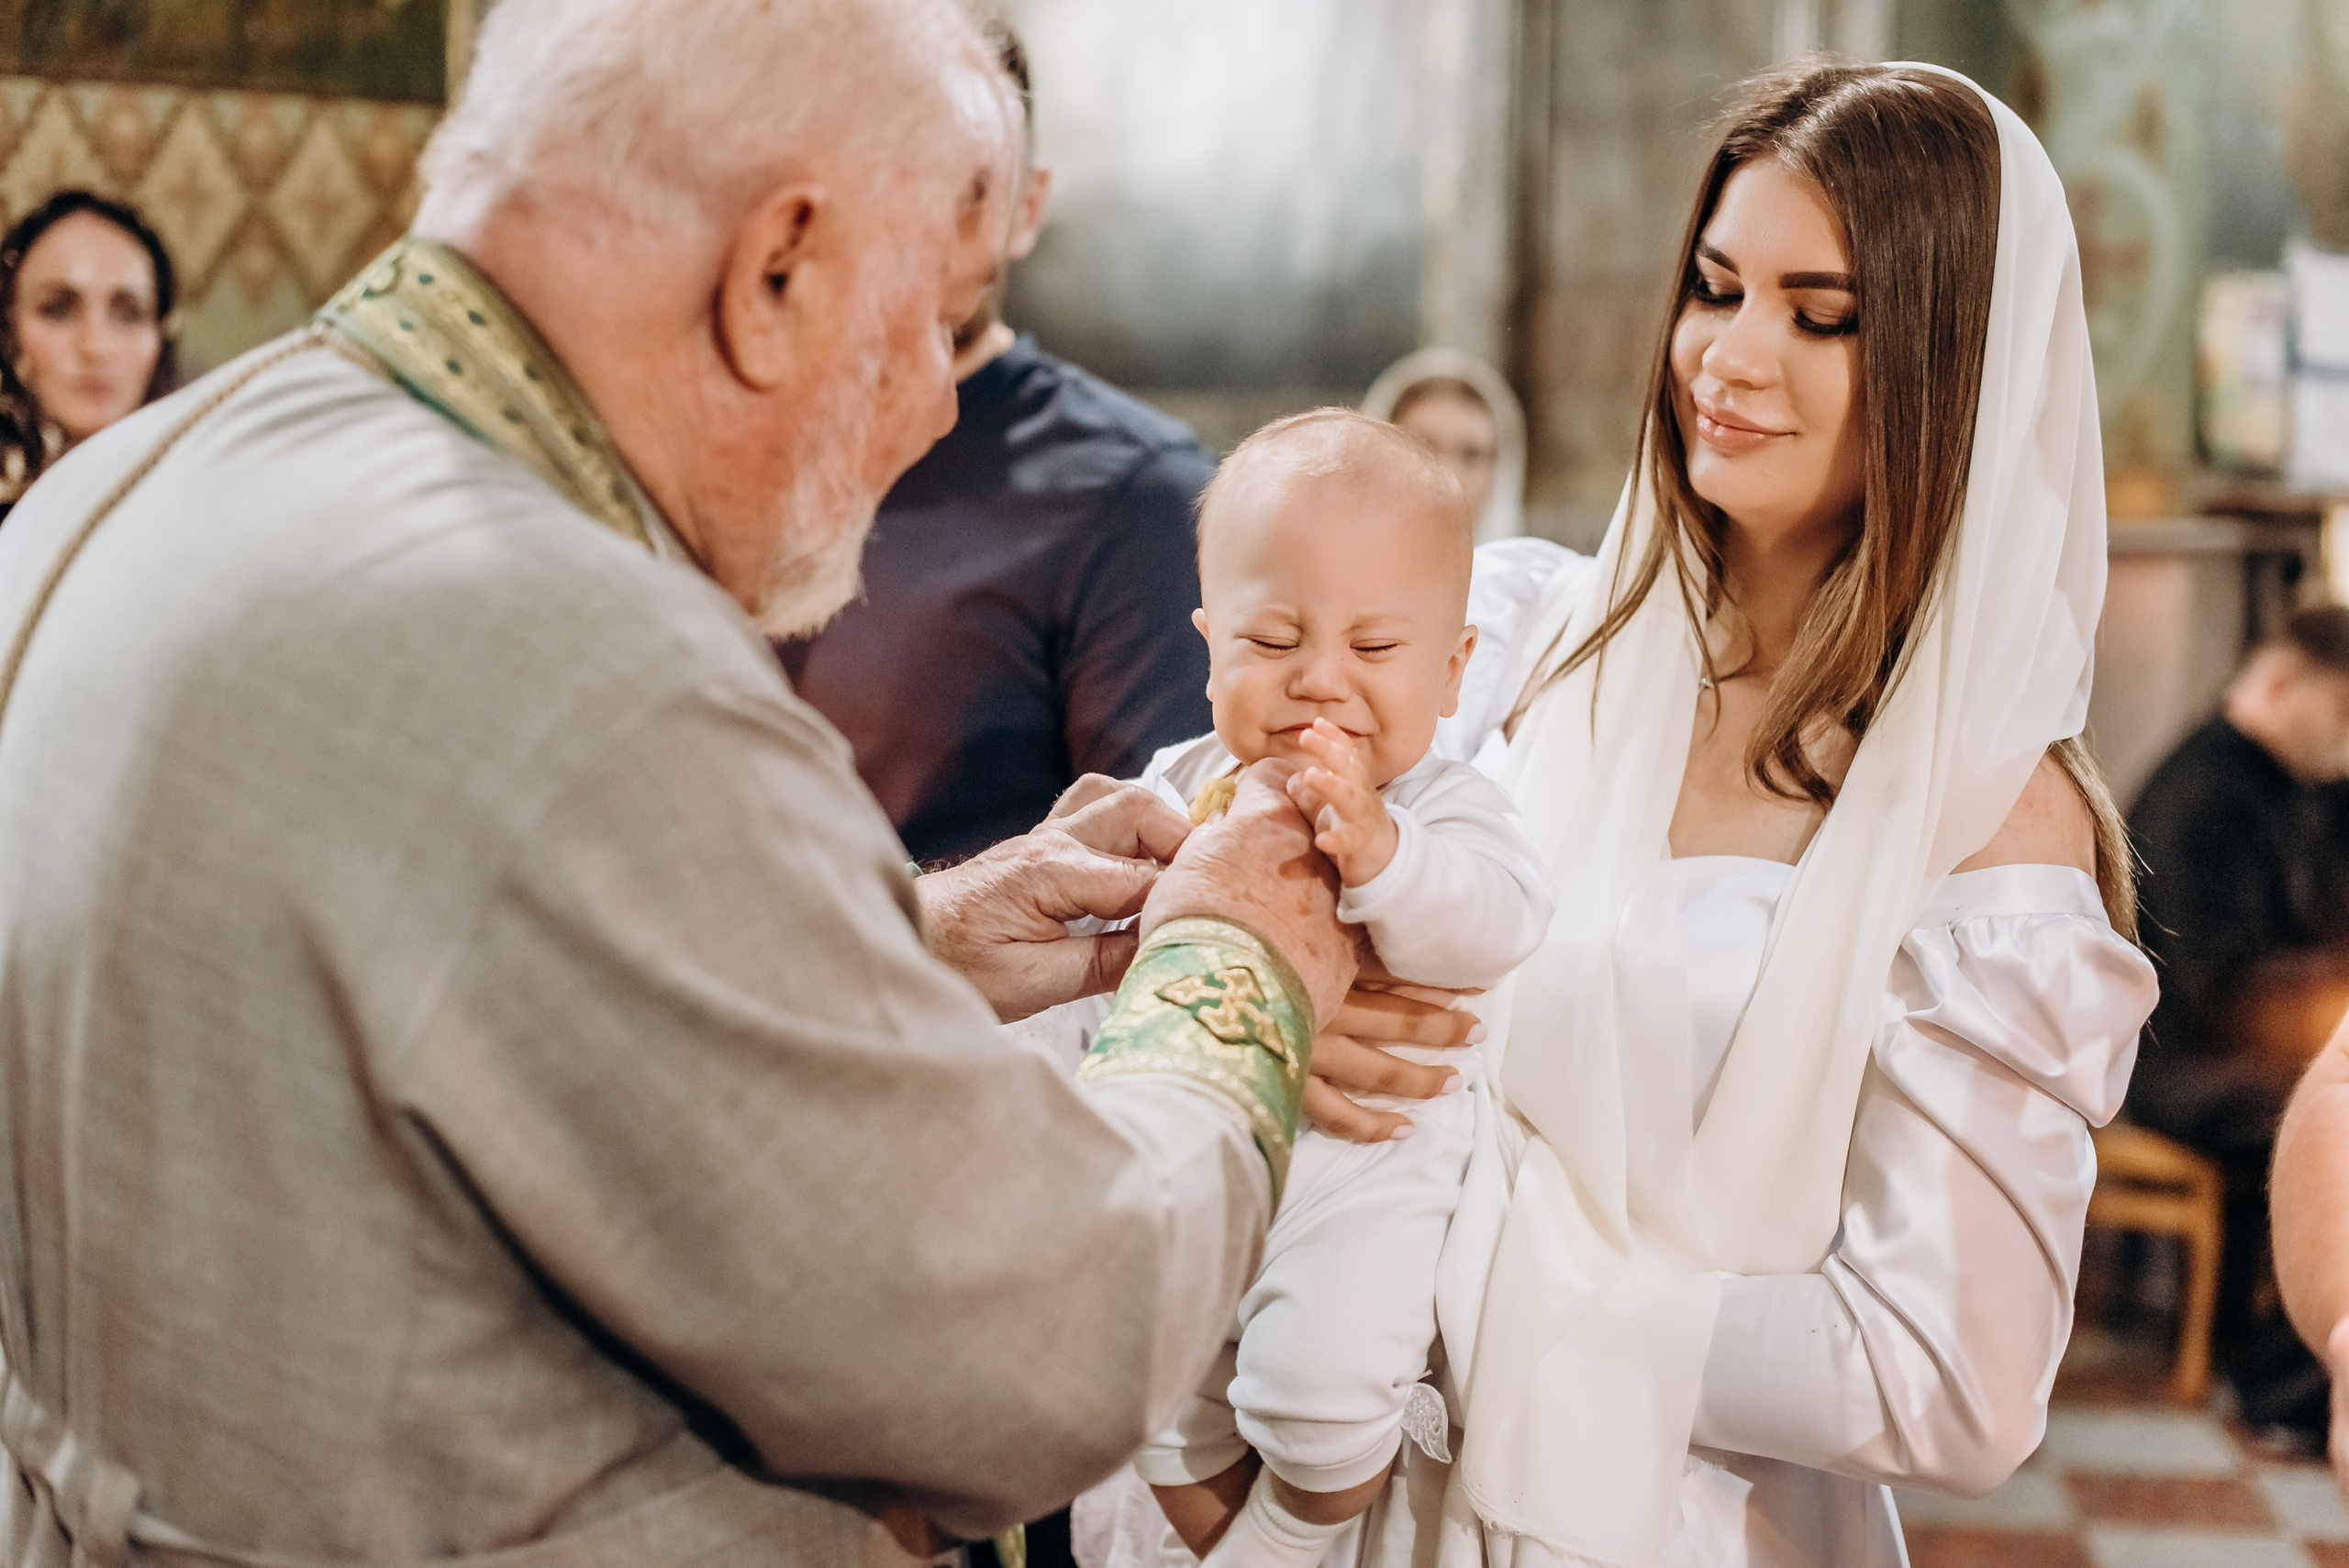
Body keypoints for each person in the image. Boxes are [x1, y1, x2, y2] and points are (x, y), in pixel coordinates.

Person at [0, 0, 1447, 1558]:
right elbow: (1046, 1340)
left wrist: (915, 937)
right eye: (923, 316)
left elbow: (425, 963)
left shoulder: (135, 472)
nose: (937, 400)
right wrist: (1233, 962)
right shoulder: (589, 662)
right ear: (775, 272)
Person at [1362, 61, 2156, 1568]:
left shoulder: (1990, 825)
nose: (1727, 355)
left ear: (1952, 371)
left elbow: (1947, 1383)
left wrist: (1477, 1265)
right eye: (1716, 287)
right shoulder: (1527, 639)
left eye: (1820, 313)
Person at [1013, 409, 1552, 1568]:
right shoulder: (1177, 787)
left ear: (1452, 668)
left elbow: (1505, 916)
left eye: (1374, 648)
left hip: (1363, 1171)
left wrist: (1383, 858)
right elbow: (1103, 949)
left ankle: (1274, 1544)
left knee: (1325, 1406)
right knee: (1144, 1374)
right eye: (1270, 639)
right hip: (1184, 1157)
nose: (1320, 681)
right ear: (1207, 643)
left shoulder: (1443, 809)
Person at [777, 19, 1219, 866]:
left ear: (1025, 206)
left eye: (961, 183)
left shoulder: (1135, 493)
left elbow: (1157, 872)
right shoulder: (747, 430)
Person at [2126, 606, 2349, 1451]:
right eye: (2340, 717)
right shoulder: (2201, 797)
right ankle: (2282, 1387)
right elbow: (2214, 990)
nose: (2343, 743)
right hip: (2185, 1068)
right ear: (2283, 683)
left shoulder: (2284, 784)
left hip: (2257, 1056)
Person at [0, 189, 177, 521]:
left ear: (162, 338)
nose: (96, 347)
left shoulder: (210, 498)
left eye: (130, 313)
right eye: (57, 310)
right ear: (8, 331)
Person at [1361, 348, 1524, 545]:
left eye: (1471, 456)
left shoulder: (1548, 574)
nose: (1448, 475)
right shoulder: (1326, 573)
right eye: (1421, 447)